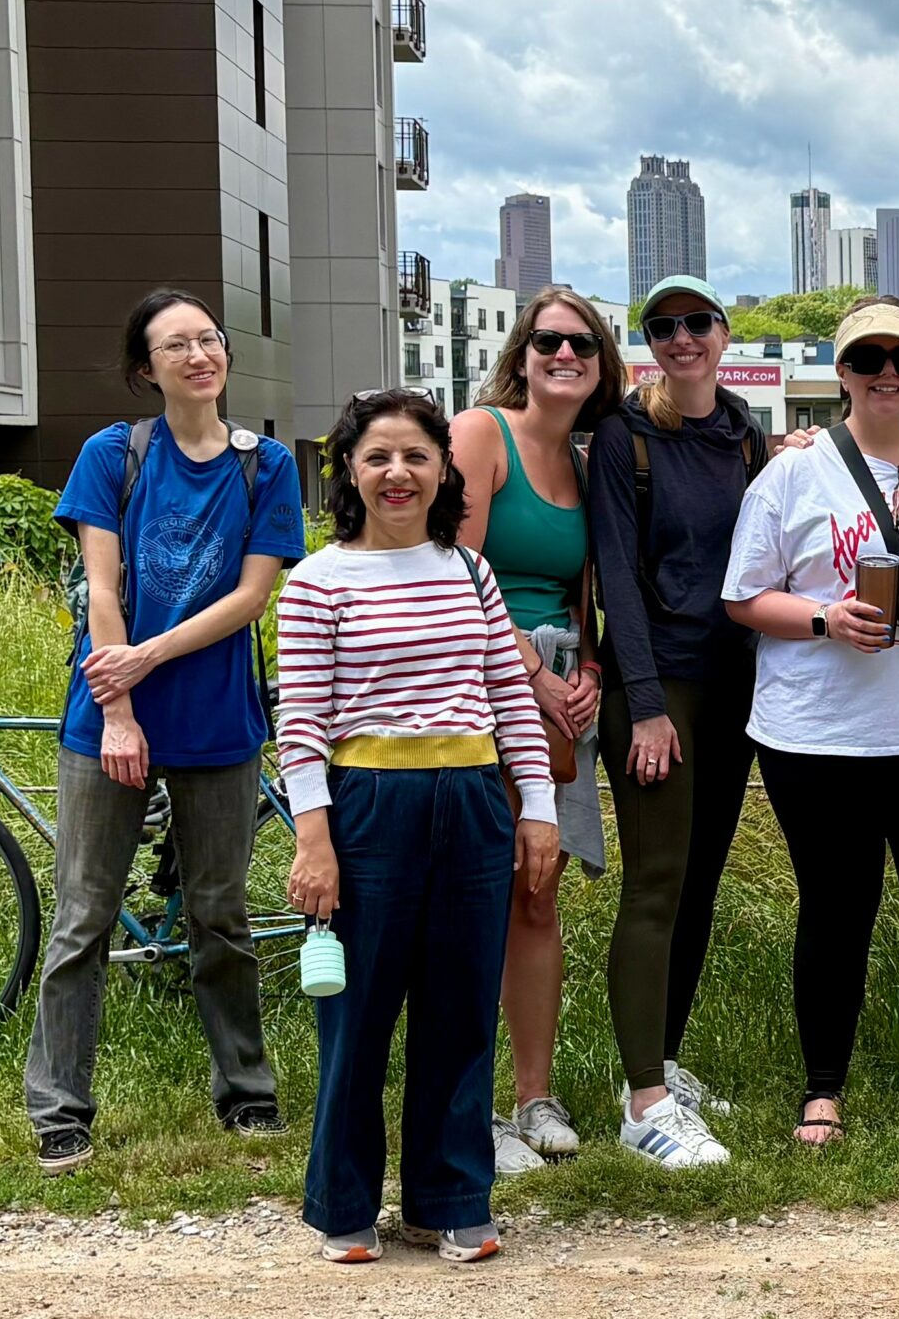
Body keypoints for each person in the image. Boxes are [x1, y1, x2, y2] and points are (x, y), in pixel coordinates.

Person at [28, 290, 306, 1175]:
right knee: (84, 915)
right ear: (145, 368)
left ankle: (246, 1088)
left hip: (218, 721)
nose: (199, 354)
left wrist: (145, 659)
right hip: (105, 722)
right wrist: (118, 709)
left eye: (209, 339)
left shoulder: (266, 466)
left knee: (221, 911)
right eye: (176, 344)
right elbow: (101, 590)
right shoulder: (114, 454)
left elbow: (252, 596)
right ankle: (60, 1107)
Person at [278, 390, 559, 1266]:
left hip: (473, 800)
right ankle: (344, 1204)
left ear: (443, 470)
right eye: (377, 457)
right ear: (349, 472)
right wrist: (313, 839)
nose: (397, 473)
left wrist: (538, 808)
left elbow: (511, 695)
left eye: (415, 456)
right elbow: (300, 724)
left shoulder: (469, 571)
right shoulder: (316, 579)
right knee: (357, 1015)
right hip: (368, 805)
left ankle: (452, 1198)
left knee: (461, 1010)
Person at [723, 296, 899, 1143]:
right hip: (820, 733)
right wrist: (824, 618)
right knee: (836, 909)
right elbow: (742, 596)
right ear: (841, 371)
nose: (887, 373)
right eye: (869, 358)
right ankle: (823, 1088)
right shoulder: (793, 472)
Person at [588, 274, 768, 1167]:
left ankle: (662, 1061)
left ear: (724, 333)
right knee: (656, 881)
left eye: (697, 321)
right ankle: (643, 1104)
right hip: (657, 688)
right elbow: (616, 576)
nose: (682, 337)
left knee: (699, 881)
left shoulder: (745, 433)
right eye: (663, 327)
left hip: (732, 686)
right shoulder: (624, 436)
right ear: (649, 344)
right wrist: (648, 707)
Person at [452, 287, 625, 1175]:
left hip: (557, 695)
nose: (565, 355)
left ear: (602, 365)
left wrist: (587, 670)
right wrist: (532, 675)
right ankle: (466, 1101)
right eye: (549, 340)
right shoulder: (480, 435)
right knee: (471, 893)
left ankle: (534, 1094)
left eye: (583, 344)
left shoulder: (589, 463)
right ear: (521, 352)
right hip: (474, 684)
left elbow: (583, 593)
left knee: (537, 888)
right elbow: (455, 571)